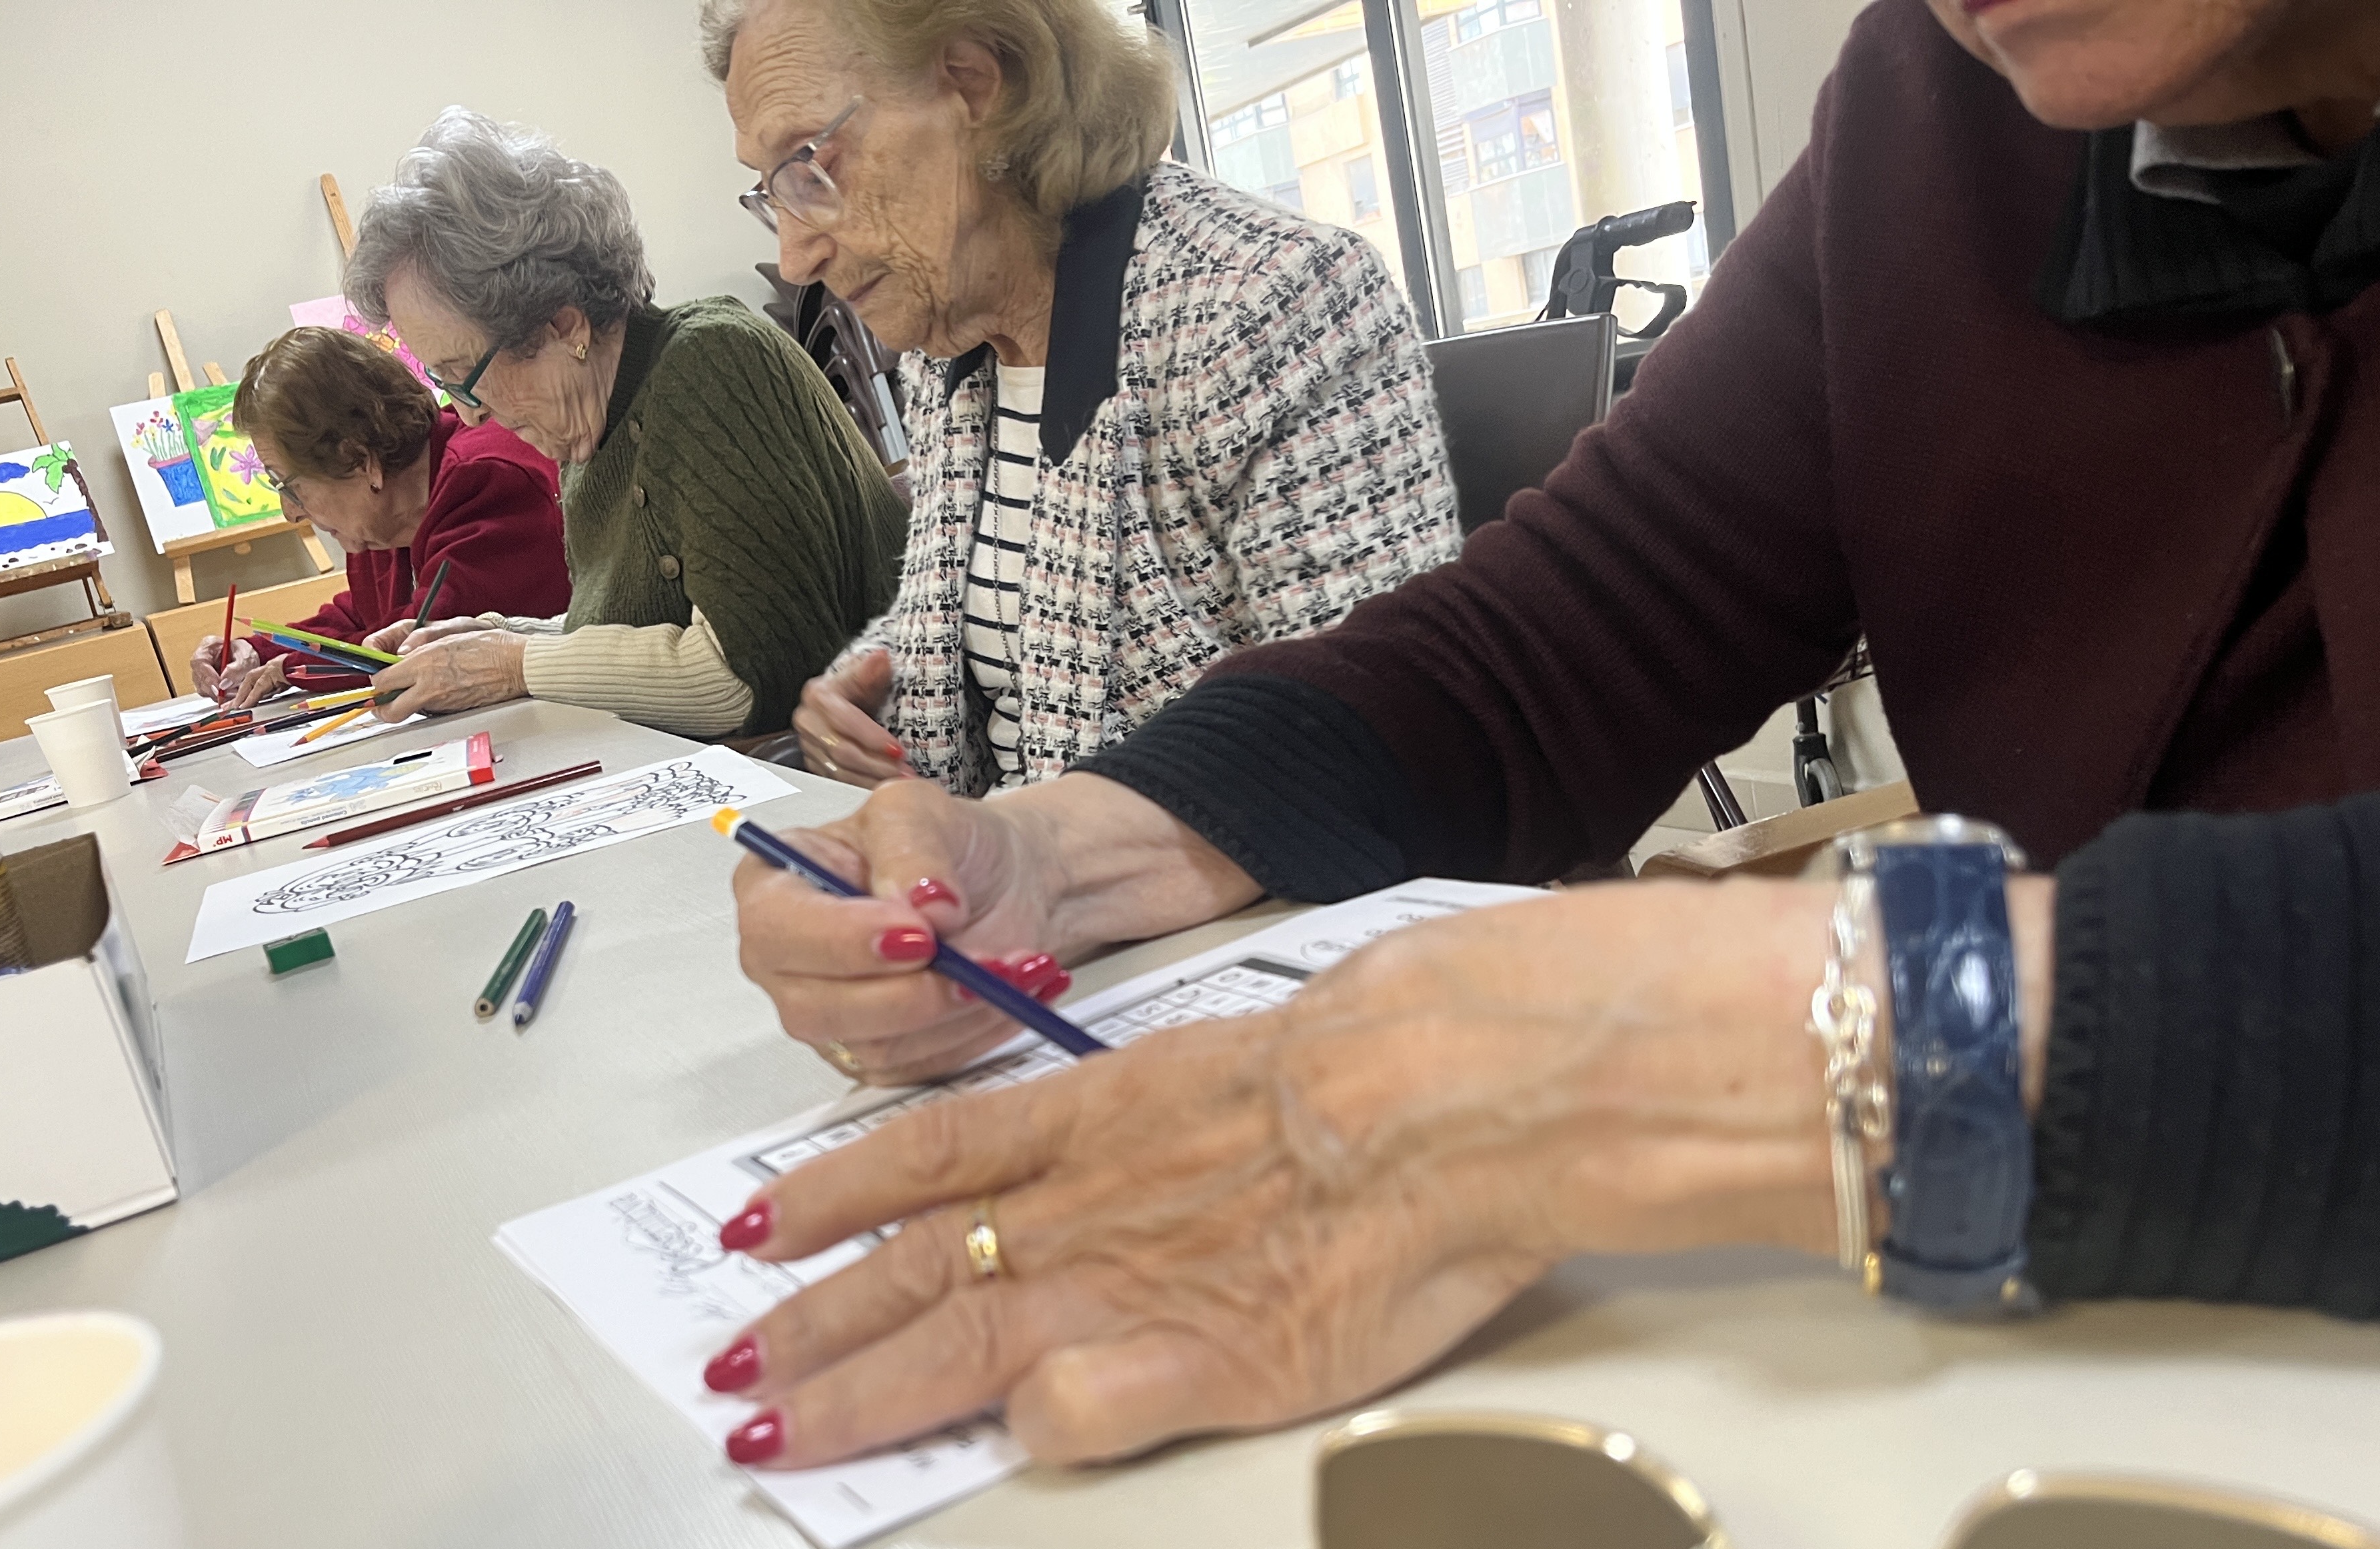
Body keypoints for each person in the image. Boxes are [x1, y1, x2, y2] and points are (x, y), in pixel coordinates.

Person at [714, 0, 2380, 1471]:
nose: (796, 252)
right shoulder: (1937, 115)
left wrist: (1660, 1060)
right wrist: (1064, 852)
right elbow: (1561, 633)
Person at [702, 0, 1460, 792]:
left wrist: (1028, 844)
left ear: (974, 83)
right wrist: (868, 689)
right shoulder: (946, 351)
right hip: (991, 852)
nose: (795, 256)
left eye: (810, 164)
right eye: (773, 191)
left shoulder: (1270, 301)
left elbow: (1377, 735)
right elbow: (1012, 612)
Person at [341, 107, 910, 739]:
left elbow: (747, 678)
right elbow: (639, 633)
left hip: (876, 768)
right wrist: (493, 639)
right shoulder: (590, 422)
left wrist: (514, 663)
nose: (470, 411)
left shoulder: (711, 361)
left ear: (564, 326)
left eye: (464, 373)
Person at [188, 325, 570, 711]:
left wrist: (292, 667)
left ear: (358, 460)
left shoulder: (486, 482)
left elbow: (422, 643)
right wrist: (259, 650)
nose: (292, 513)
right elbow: (365, 615)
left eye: (289, 486)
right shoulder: (385, 514)